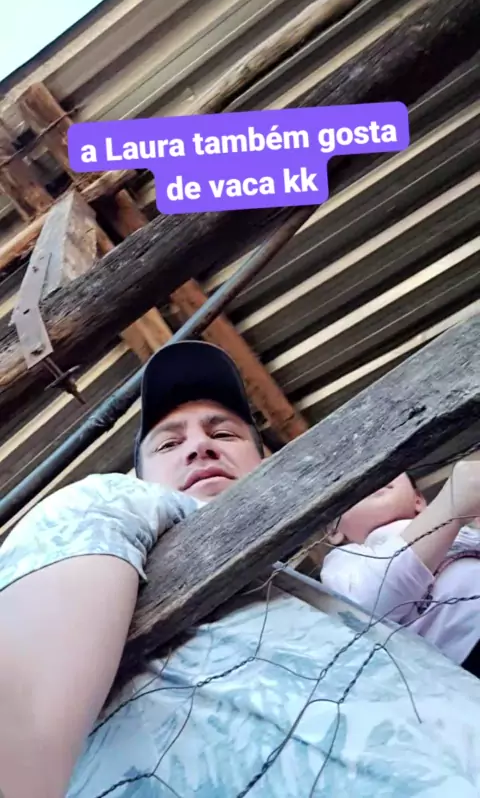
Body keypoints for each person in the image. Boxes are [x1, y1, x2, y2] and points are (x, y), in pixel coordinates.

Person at [1, 340, 480, 798]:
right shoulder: (108, 502)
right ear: (143, 481)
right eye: (169, 444)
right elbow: (22, 737)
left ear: (266, 465)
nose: (199, 447)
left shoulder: (322, 602)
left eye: (224, 434)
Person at [321, 472, 480, 670]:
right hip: (464, 652)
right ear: (333, 531)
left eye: (389, 468)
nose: (371, 474)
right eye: (348, 478)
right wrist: (449, 506)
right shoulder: (346, 558)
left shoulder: (463, 532)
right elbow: (368, 606)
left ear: (418, 500)